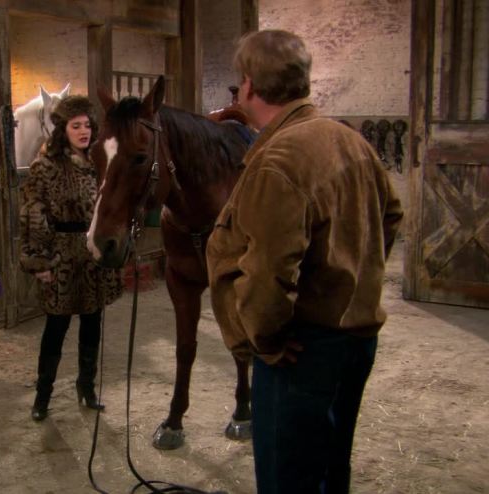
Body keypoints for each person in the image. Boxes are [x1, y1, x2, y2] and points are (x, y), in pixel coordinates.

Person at [206, 30, 403, 493]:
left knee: (288, 479)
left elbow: (268, 272)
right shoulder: (350, 141)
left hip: (302, 350)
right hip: (355, 340)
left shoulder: (278, 159)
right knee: (331, 469)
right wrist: (352, 279)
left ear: (249, 85)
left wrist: (267, 340)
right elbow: (391, 216)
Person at [19, 95, 122, 421]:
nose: (83, 131)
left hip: (92, 255)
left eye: (87, 125)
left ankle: (86, 388)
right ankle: (43, 396)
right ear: (62, 129)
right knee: (56, 329)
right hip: (61, 256)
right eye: (76, 126)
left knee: (92, 324)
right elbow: (33, 214)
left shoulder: (99, 164)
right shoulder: (45, 166)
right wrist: (40, 261)